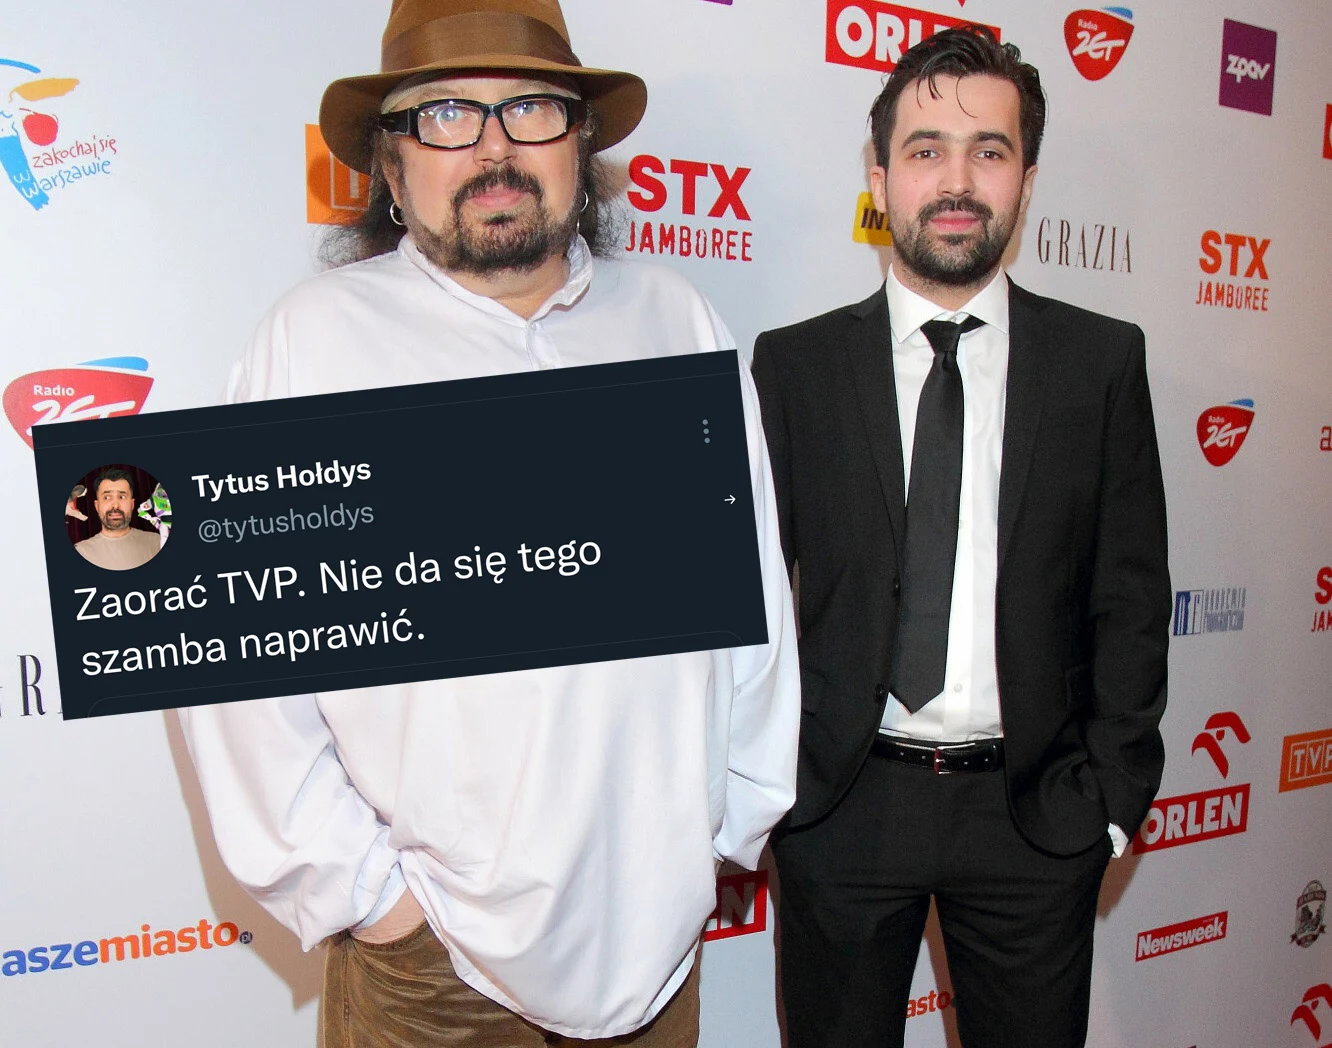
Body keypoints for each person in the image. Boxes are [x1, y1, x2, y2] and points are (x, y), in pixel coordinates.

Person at [178, 2, 798, 1047]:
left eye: (532, 108)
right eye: (448, 113)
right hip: (431, 968)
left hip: (655, 945)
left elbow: (754, 611)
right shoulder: (313, 345)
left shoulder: (674, 322)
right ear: (390, 161)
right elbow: (238, 665)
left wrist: (722, 827)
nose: (495, 147)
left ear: (580, 143)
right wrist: (374, 901)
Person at [751, 26, 1169, 1048]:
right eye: (926, 149)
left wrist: (1111, 801)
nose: (956, 181)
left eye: (989, 150)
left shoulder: (1100, 364)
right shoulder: (797, 368)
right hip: (842, 809)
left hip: (1036, 819)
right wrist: (767, 790)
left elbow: (1131, 597)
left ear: (1027, 180)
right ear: (880, 176)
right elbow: (746, 599)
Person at [73, 468, 162, 570]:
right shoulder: (81, 551)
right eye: (107, 497)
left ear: (132, 504)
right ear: (97, 506)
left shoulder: (158, 543)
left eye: (122, 497)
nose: (115, 505)